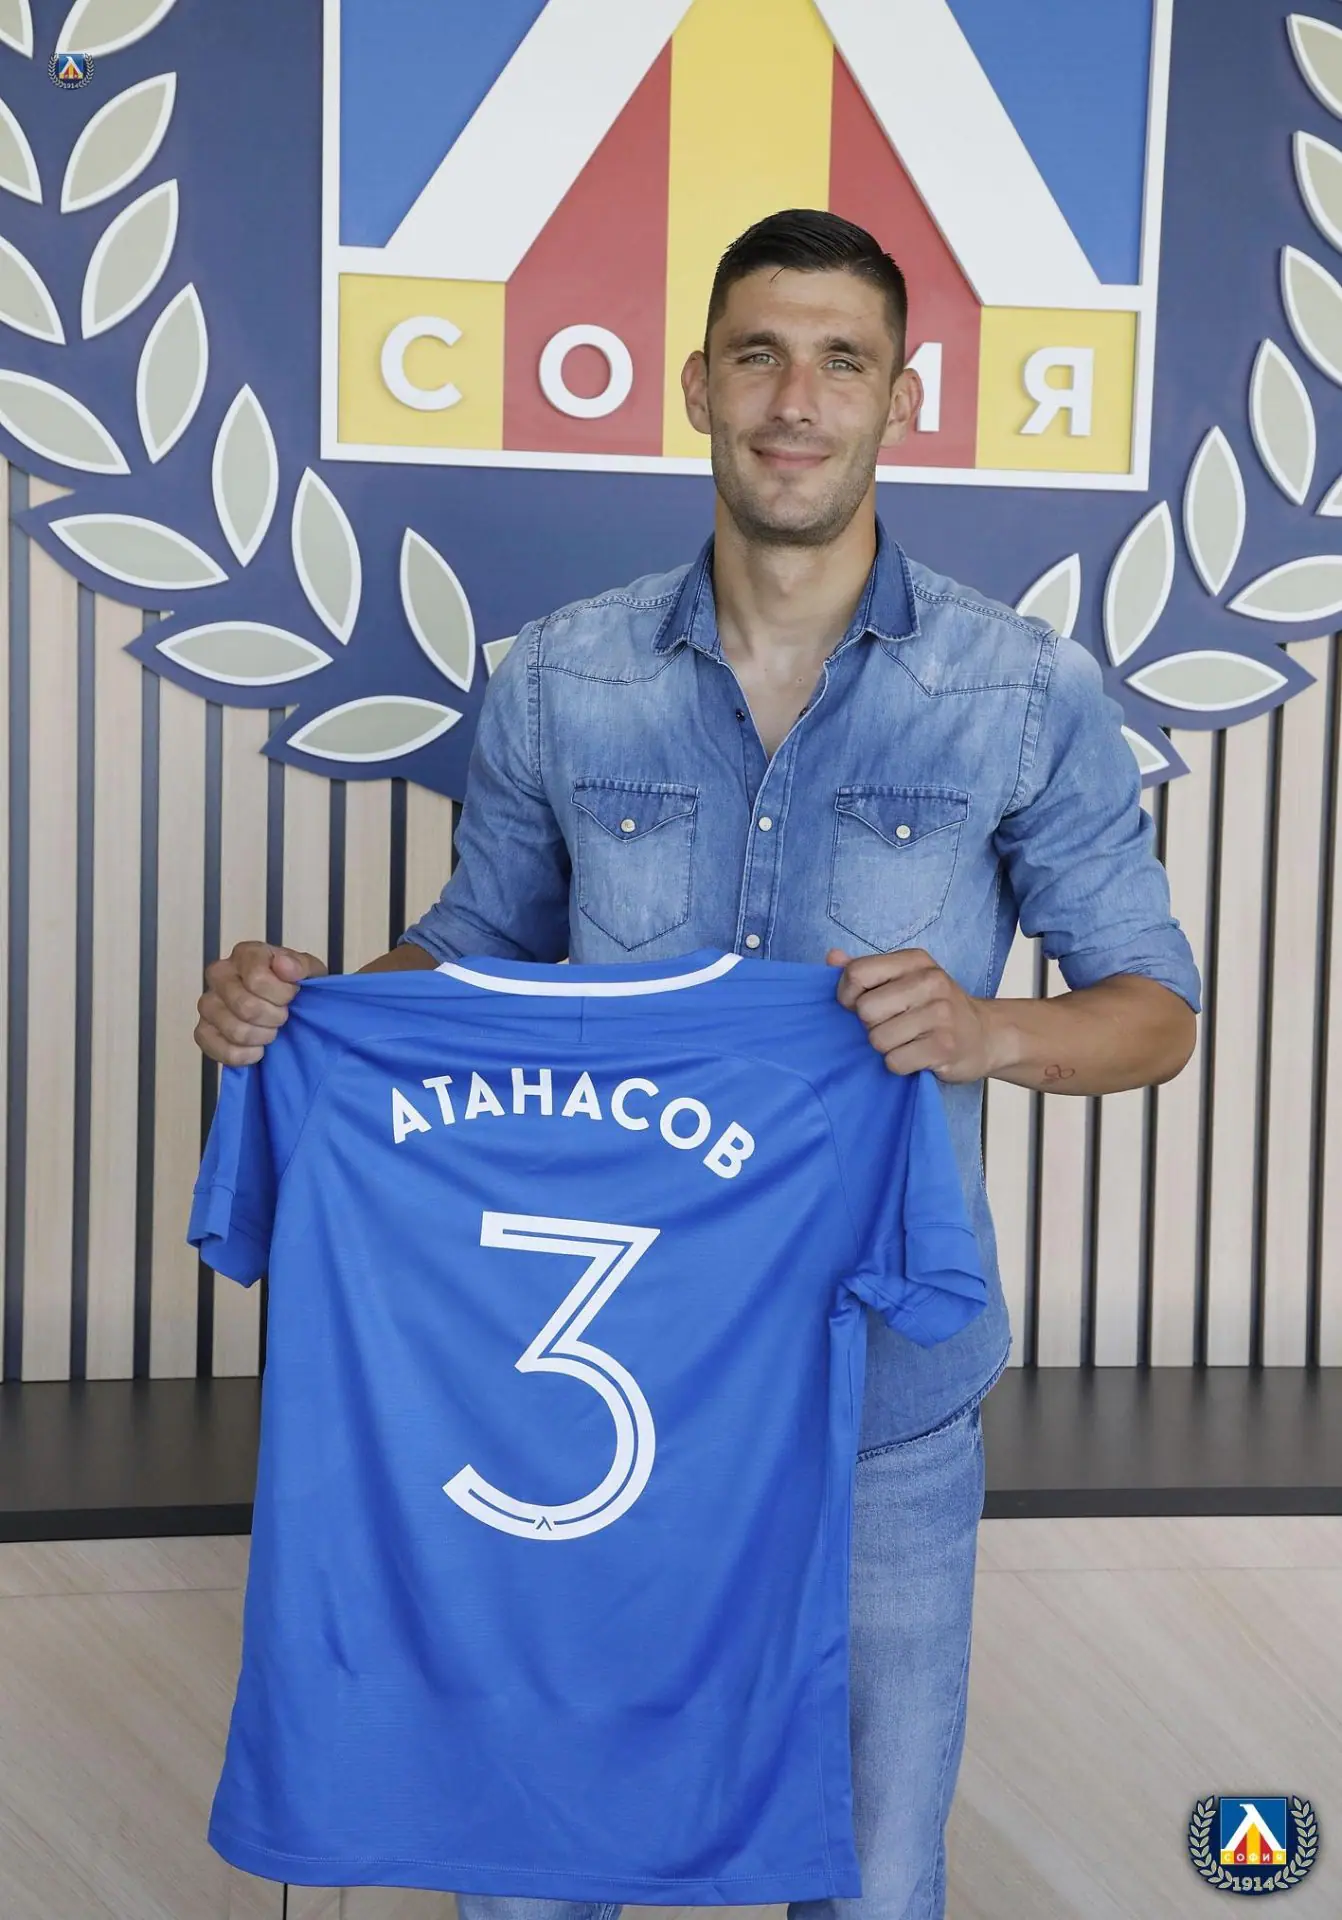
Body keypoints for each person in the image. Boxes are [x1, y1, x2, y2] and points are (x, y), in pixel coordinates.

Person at [195, 210, 1199, 1920]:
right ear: (695, 386)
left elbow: (1152, 1011)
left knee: (871, 1876)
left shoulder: (1024, 690)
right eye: (757, 356)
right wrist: (307, 1016)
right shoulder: (558, 677)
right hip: (594, 1400)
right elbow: (470, 954)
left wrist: (988, 1031)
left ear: (901, 399)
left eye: (840, 361)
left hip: (878, 1402)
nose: (794, 401)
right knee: (532, 1861)